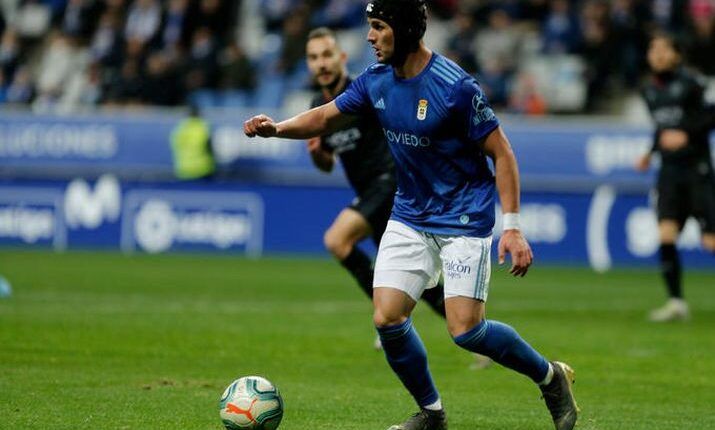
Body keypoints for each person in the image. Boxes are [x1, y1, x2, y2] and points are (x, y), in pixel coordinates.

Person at [244, 1, 578, 429]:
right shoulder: (375, 81)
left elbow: (502, 153)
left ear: (402, 30)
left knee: (466, 331)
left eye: (378, 27)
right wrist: (278, 129)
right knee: (386, 316)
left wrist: (512, 227)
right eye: (369, 26)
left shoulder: (455, 86)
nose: (369, 36)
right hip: (409, 215)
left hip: (462, 217)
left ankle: (550, 378)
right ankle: (432, 414)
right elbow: (325, 117)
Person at [304, 27, 448, 342]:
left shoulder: (364, 90)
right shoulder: (319, 102)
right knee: (414, 279)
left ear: (341, 57)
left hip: (390, 183)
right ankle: (473, 335)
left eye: (327, 55)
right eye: (314, 58)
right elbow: (327, 164)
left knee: (337, 240)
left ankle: (387, 321)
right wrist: (317, 153)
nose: (321, 63)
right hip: (370, 193)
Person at [635, 33, 715, 322]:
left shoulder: (693, 84)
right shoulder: (649, 90)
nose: (656, 54)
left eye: (663, 49)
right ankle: (676, 302)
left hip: (697, 171)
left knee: (710, 241)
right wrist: (650, 151)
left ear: (676, 55)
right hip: (669, 172)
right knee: (666, 234)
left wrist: (687, 134)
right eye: (652, 49)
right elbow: (663, 127)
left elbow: (710, 116)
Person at [170, 105, 216, 180]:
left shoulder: (180, 129)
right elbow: (210, 147)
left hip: (183, 170)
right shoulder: (203, 127)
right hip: (203, 170)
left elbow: (175, 146)